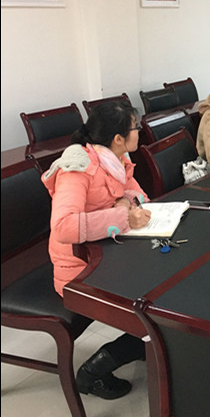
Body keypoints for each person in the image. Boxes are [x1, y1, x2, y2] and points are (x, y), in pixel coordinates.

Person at [41, 101, 151, 400]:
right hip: (79, 269)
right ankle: (94, 371)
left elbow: (140, 196)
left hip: (110, 253)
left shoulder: (117, 159)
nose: (140, 131)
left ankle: (143, 345)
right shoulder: (77, 168)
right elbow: (63, 226)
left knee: (166, 287)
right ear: (118, 138)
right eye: (135, 127)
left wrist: (126, 203)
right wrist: (123, 216)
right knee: (153, 309)